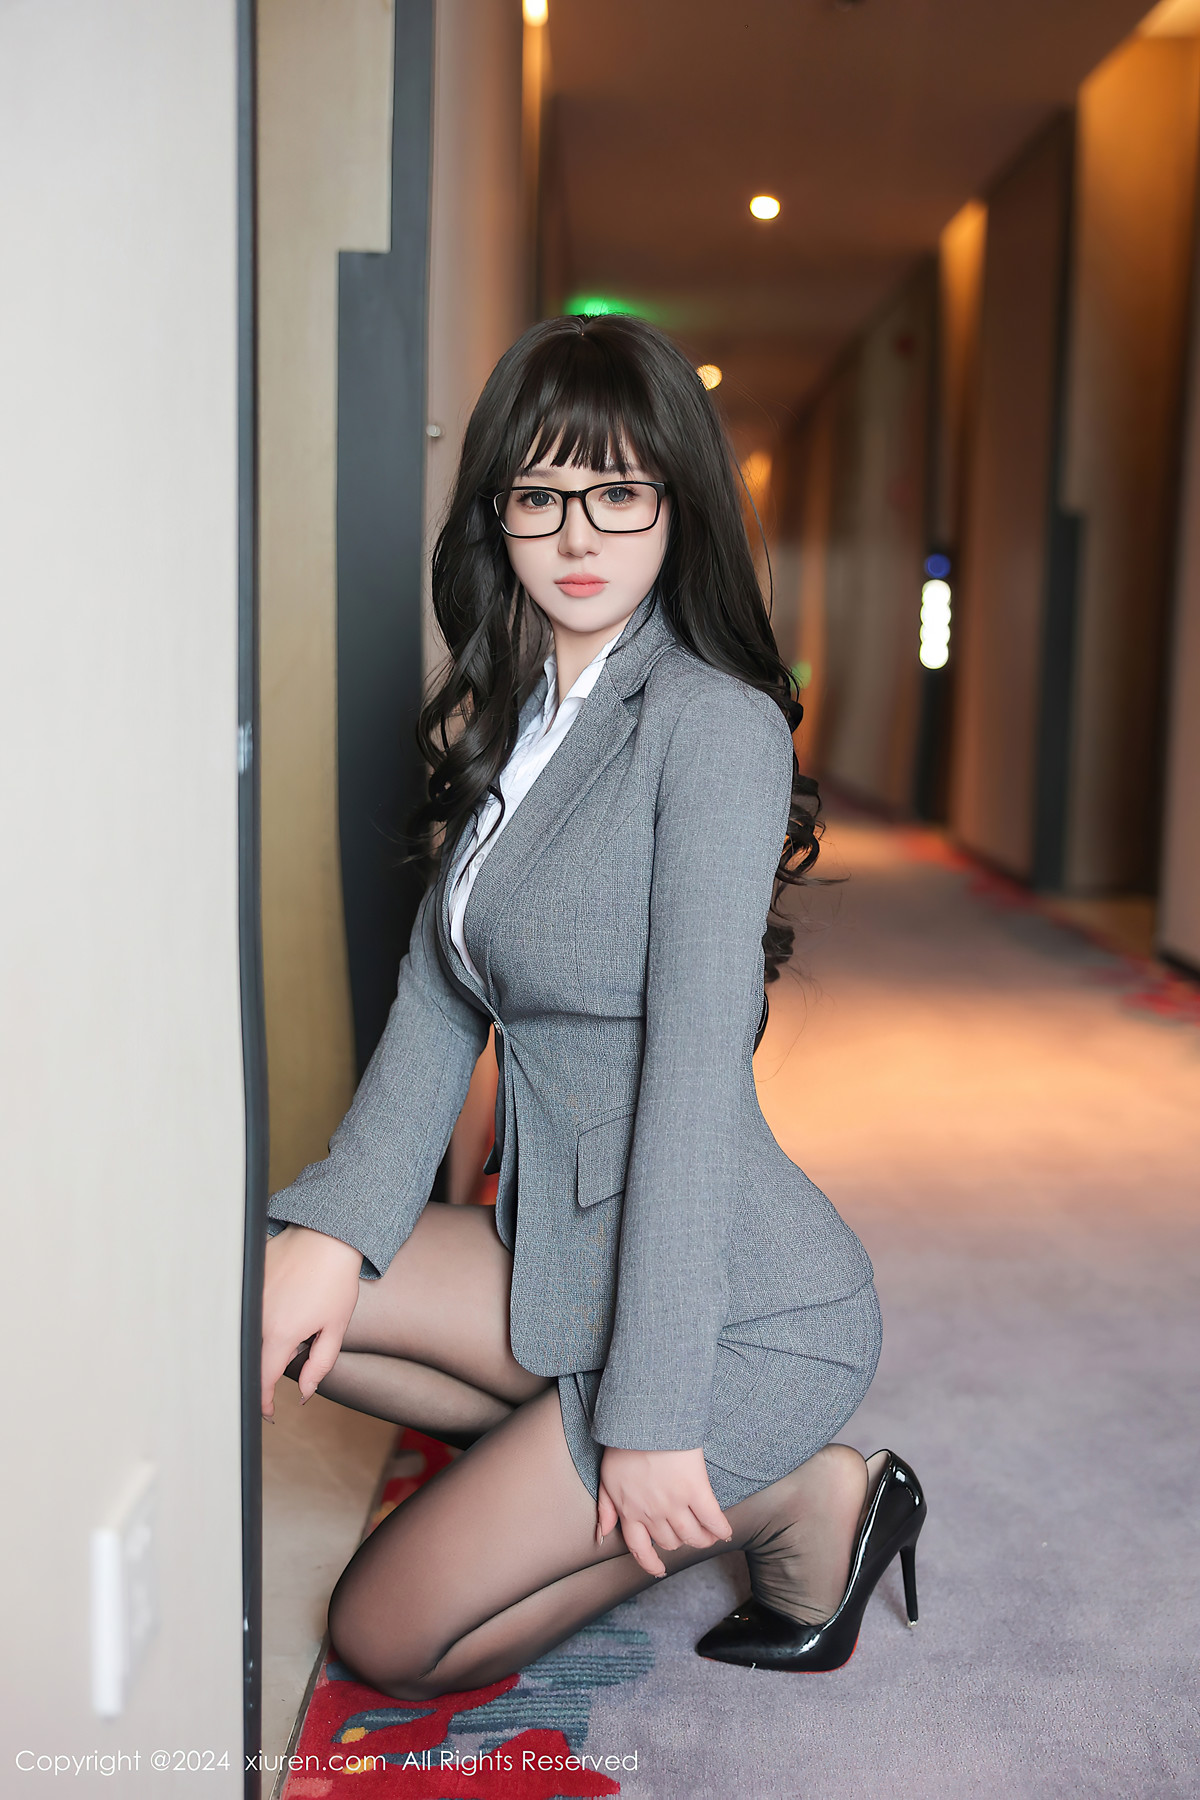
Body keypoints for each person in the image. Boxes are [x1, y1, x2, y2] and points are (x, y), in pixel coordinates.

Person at [260, 314, 925, 1699]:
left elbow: (690, 1082)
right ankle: (728, 1474)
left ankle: (769, 1488)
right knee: (259, 1290)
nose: (578, 533)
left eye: (619, 491)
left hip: (739, 1312)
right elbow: (438, 1007)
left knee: (386, 1634)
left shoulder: (712, 724)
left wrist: (656, 1420)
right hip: (565, 1257)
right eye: (540, 493)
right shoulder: (515, 722)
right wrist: (334, 1229)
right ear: (495, 512)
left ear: (677, 506)